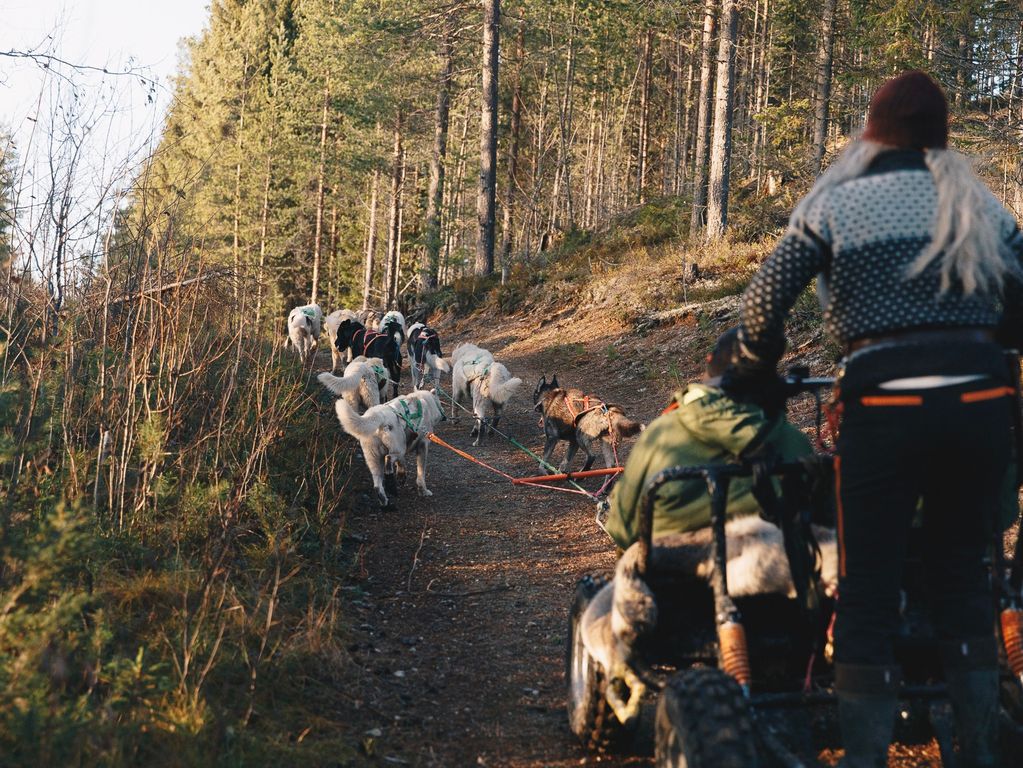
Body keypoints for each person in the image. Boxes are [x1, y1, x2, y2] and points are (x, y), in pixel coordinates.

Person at [728, 70, 1023, 768]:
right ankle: (977, 753)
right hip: (981, 403)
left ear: (871, 128)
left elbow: (763, 302)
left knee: (864, 586)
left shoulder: (837, 202)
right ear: (942, 131)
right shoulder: (978, 202)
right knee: (961, 577)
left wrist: (754, 375)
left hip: (884, 405)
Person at [602, 327, 813, 551]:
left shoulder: (661, 435)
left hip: (673, 579)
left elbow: (621, 531)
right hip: (775, 576)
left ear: (709, 360)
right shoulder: (795, 442)